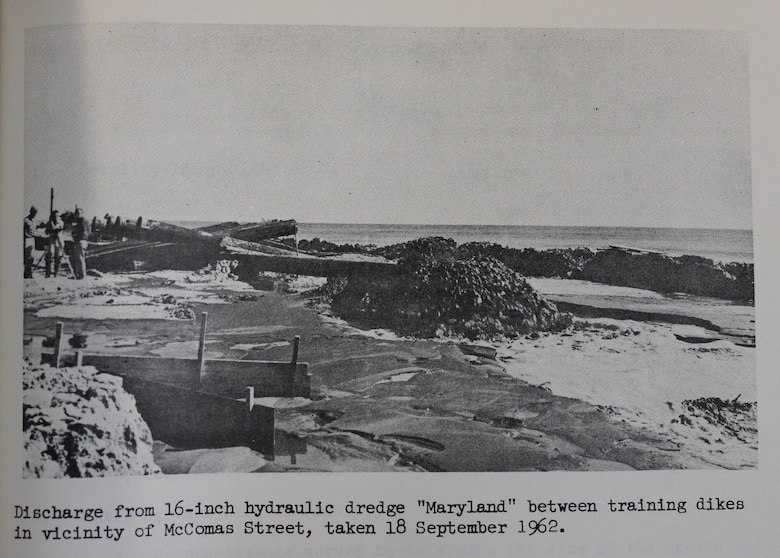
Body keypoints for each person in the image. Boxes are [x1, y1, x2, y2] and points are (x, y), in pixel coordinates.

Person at [69, 207, 89, 279]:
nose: (77, 215)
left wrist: (77, 236)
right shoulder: (83, 221)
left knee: (79, 259)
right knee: (80, 258)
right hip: (83, 241)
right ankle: (80, 274)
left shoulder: (81, 221)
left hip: (80, 241)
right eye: (76, 213)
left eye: (78, 213)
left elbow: (84, 232)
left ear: (82, 213)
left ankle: (82, 275)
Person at [44, 210, 64, 277]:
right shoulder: (49, 223)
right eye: (55, 216)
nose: (57, 217)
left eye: (58, 216)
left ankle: (56, 272)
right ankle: (48, 272)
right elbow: (46, 232)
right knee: (50, 254)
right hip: (52, 239)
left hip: (59, 240)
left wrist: (56, 229)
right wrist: (51, 229)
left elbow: (60, 229)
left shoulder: (61, 222)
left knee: (59, 256)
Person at [23, 206, 38, 278]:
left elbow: (34, 229)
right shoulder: (25, 220)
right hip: (27, 239)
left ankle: (29, 273)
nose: (34, 214)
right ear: (30, 212)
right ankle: (26, 273)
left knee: (32, 257)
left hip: (33, 239)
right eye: (33, 212)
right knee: (27, 257)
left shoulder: (34, 221)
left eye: (35, 213)